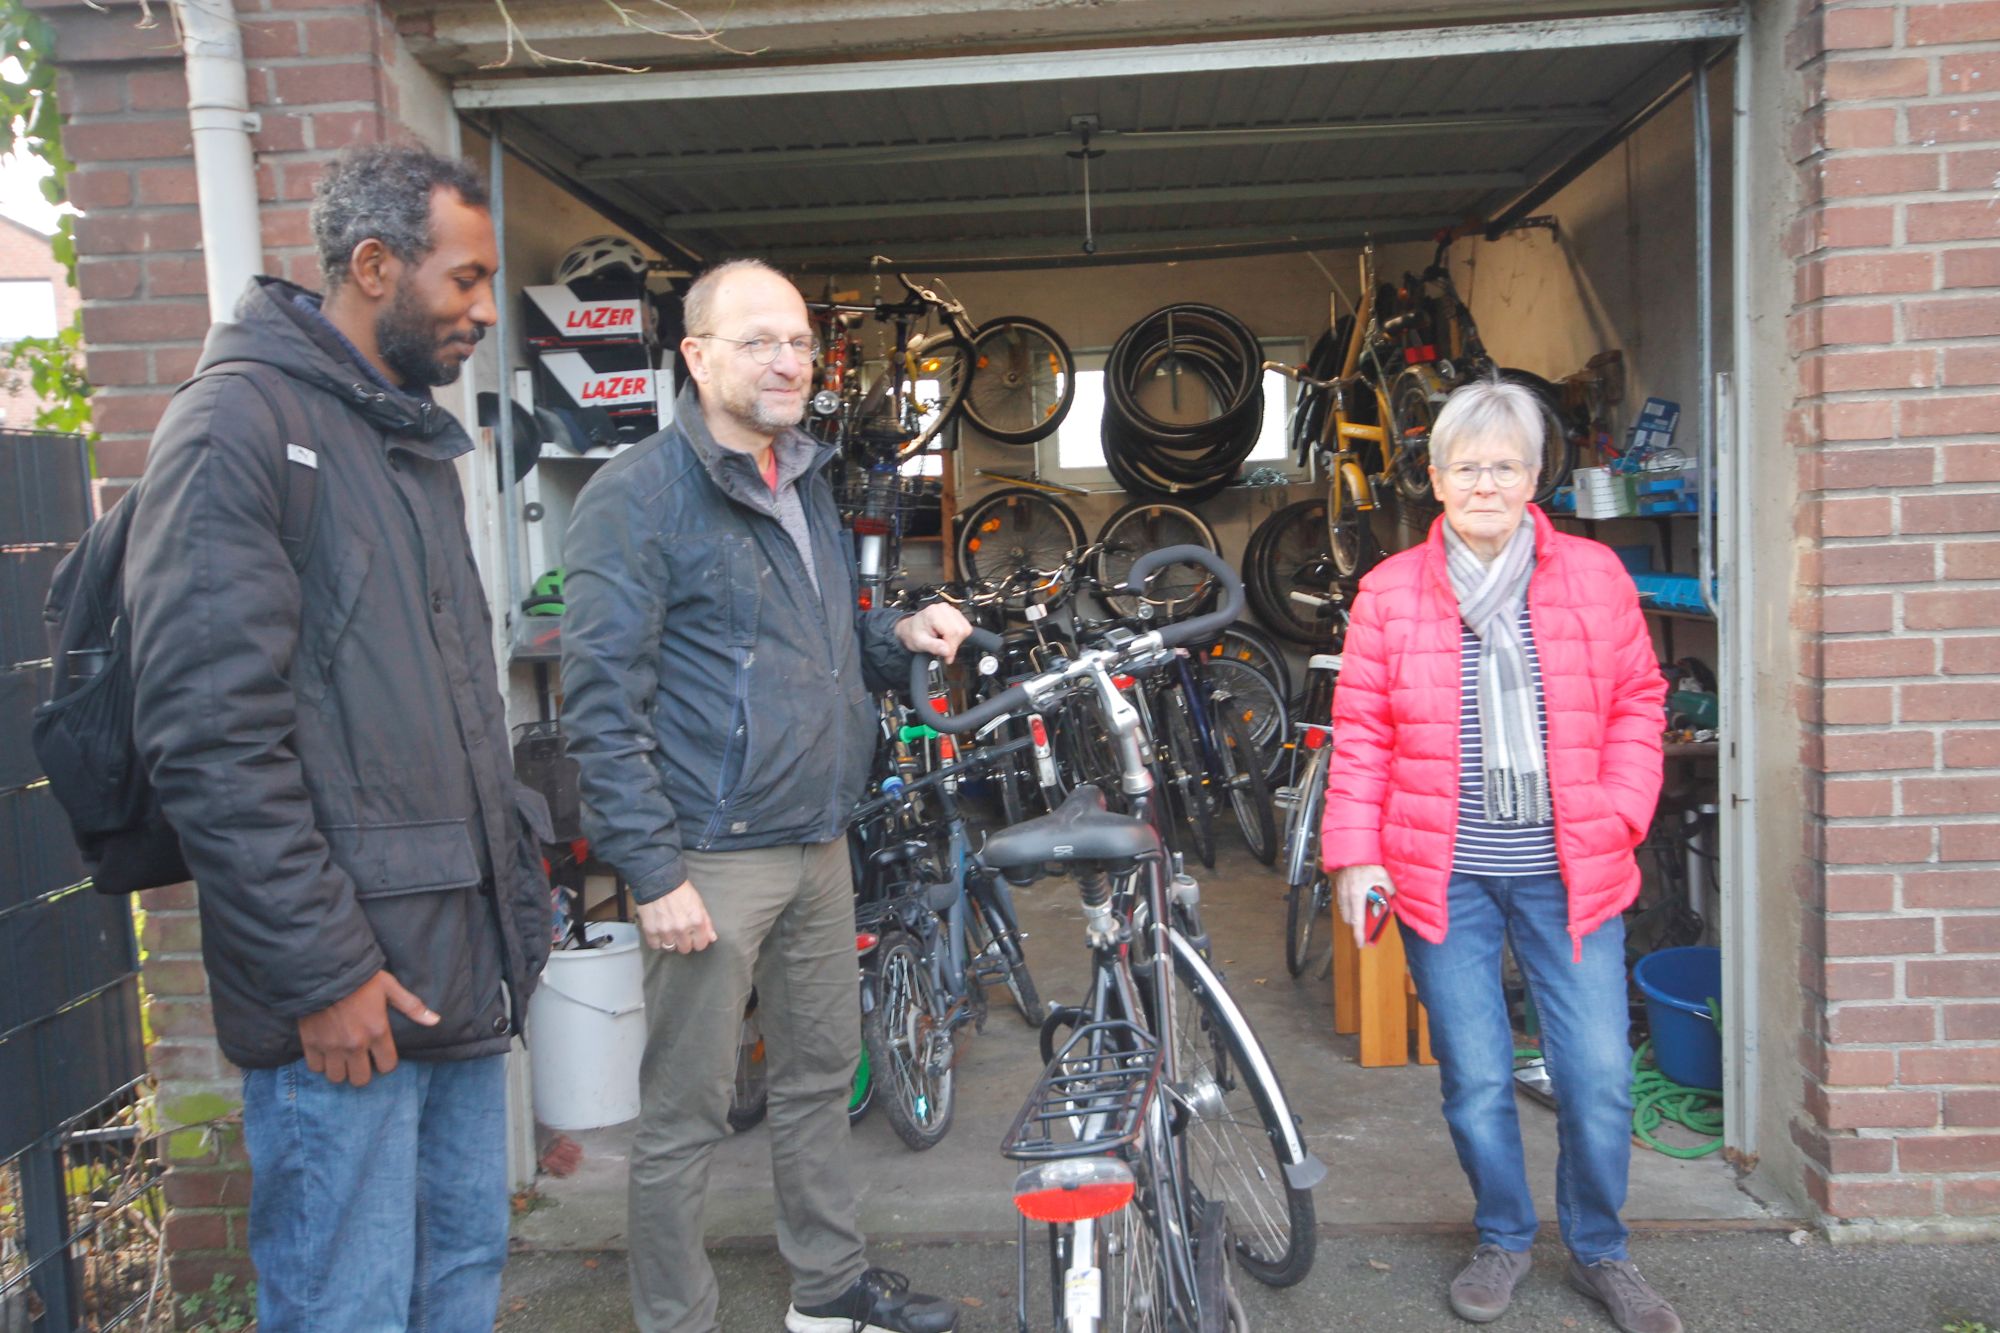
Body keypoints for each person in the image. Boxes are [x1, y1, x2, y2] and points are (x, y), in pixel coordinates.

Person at [125, 144, 553, 1331]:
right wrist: (322, 972)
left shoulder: (402, 435)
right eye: (464, 279)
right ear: (373, 266)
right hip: (347, 1001)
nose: (483, 309)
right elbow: (209, 738)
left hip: (451, 972)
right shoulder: (237, 424)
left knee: (455, 1284)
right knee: (347, 1307)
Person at [560, 258, 970, 1333]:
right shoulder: (636, 497)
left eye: (799, 342)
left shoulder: (806, 476)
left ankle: (827, 1290)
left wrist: (897, 632)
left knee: (820, 1075)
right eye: (759, 342)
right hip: (708, 856)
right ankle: (675, 1318)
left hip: (817, 838)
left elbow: (820, 642)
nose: (789, 361)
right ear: (696, 357)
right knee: (685, 1111)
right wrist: (651, 872)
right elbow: (598, 706)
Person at [1320, 379, 1677, 1333]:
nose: (1486, 483)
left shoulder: (1594, 576)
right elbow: (1362, 737)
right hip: (1446, 876)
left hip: (1572, 869)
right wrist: (1355, 855)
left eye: (1505, 466)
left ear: (1535, 477)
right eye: (1467, 466)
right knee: (1476, 1078)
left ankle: (1601, 1249)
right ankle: (1504, 1237)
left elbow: (1639, 699)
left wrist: (1623, 809)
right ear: (1436, 479)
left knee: (1597, 1075)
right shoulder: (1389, 592)